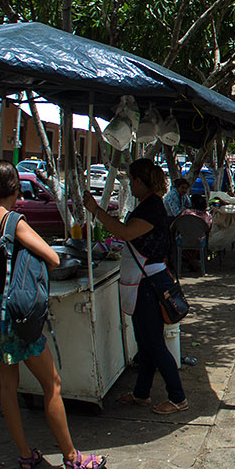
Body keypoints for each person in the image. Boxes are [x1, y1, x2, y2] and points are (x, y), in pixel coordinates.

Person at [0, 162, 105, 469]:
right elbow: (53, 256)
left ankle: (25, 454)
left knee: (8, 386)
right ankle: (71, 457)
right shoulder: (13, 221)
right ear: (16, 187)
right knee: (52, 384)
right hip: (14, 315)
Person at [84, 158, 188, 414]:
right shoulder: (147, 204)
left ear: (140, 181)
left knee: (154, 343)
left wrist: (95, 210)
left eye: (131, 180)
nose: (130, 185)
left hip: (150, 284)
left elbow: (124, 232)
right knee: (145, 342)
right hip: (145, 281)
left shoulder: (151, 207)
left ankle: (178, 398)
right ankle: (142, 393)